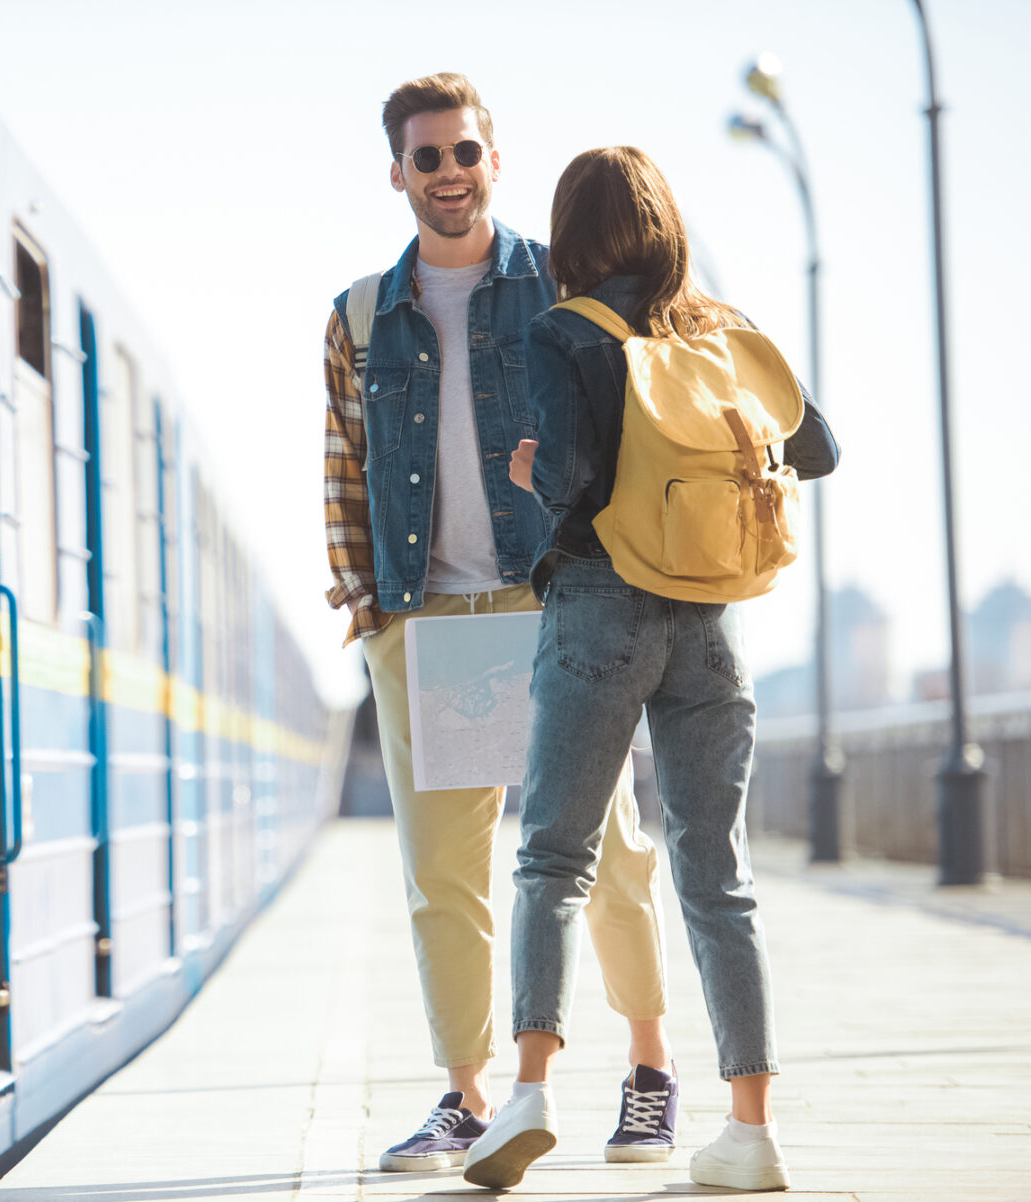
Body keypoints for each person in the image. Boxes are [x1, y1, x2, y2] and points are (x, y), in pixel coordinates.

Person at [461, 145, 840, 1192]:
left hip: (600, 609)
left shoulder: (566, 329)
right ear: (667, 226)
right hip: (713, 622)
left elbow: (578, 481)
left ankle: (528, 1094)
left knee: (553, 858)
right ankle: (751, 1127)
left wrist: (536, 473)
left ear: (572, 237)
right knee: (718, 874)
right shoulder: (723, 330)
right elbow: (820, 452)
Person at [322, 75, 680, 1173]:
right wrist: (367, 601)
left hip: (553, 598)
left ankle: (650, 1069)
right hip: (427, 615)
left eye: (464, 153)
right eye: (426, 158)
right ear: (398, 173)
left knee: (606, 849)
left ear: (493, 160)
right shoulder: (357, 314)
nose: (448, 174)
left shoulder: (558, 287)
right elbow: (345, 460)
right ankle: (467, 1095)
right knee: (445, 875)